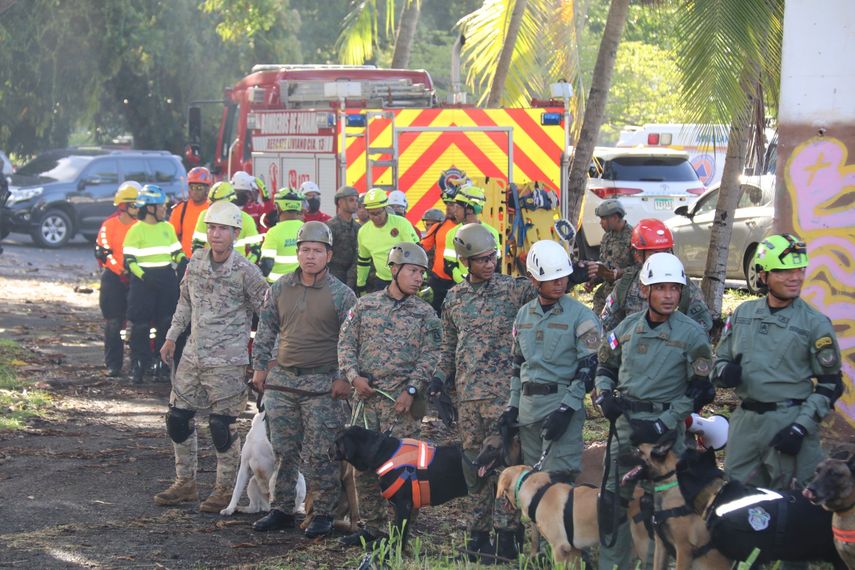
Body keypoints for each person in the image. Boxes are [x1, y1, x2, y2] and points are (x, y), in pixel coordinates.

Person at [594, 252, 713, 570]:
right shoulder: (626, 328)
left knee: (657, 508)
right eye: (661, 288)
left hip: (664, 435)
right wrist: (603, 395)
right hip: (625, 425)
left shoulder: (691, 334)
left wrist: (665, 422)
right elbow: (605, 363)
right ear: (645, 290)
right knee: (612, 501)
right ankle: (612, 565)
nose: (669, 295)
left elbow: (700, 389)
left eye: (675, 289)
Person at [431, 224, 537, 561]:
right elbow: (448, 346)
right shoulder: (455, 299)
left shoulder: (513, 291)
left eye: (492, 258)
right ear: (465, 261)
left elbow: (547, 290)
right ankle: (478, 537)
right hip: (468, 399)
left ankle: (508, 539)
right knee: (473, 468)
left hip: (504, 398)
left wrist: (573, 273)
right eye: (481, 260)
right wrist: (438, 380)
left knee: (505, 466)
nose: (489, 264)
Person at [154, 201, 268, 512]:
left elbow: (269, 318)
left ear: (235, 233)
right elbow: (185, 304)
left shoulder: (247, 272)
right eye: (211, 228)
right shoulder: (197, 263)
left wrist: (262, 362)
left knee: (222, 426)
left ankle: (223, 490)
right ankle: (185, 483)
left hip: (229, 363)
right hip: (193, 356)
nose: (215, 234)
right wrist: (171, 338)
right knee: (177, 419)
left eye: (222, 229)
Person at [249, 221, 357, 536]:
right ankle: (282, 509)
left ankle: (322, 513)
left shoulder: (342, 295)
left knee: (322, 451)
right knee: (283, 449)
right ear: (297, 253)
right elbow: (265, 330)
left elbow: (350, 342)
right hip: (282, 382)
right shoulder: (280, 287)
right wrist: (260, 368)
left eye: (317, 251)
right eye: (305, 250)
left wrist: (343, 378)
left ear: (329, 254)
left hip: (323, 385)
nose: (310, 257)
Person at [714, 234, 842, 491]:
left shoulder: (814, 323)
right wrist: (724, 372)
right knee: (736, 502)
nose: (795, 278)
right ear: (763, 276)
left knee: (795, 509)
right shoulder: (743, 314)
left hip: (789, 422)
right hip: (745, 425)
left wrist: (799, 428)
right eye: (784, 272)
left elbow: (831, 385)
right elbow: (720, 362)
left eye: (800, 269)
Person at [338, 242, 441, 546]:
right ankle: (371, 528)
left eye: (422, 273)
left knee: (404, 468)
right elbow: (345, 345)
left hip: (401, 404)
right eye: (412, 271)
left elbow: (431, 355)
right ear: (394, 270)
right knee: (363, 468)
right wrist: (354, 377)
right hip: (366, 401)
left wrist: (412, 389)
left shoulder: (425, 313)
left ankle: (402, 529)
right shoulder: (365, 306)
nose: (419, 278)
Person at [600, 219, 712, 335]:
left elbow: (701, 332)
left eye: (666, 252)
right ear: (638, 255)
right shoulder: (625, 286)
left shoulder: (685, 287)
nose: (662, 258)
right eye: (654, 253)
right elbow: (606, 327)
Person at [123, 185, 186, 384]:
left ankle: (162, 365)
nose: (164, 209)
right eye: (161, 206)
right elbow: (130, 260)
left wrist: (185, 261)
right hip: (143, 282)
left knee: (166, 323)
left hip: (165, 279)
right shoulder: (136, 230)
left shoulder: (167, 228)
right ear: (150, 207)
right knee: (140, 326)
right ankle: (138, 366)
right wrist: (143, 276)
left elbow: (177, 252)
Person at [94, 181, 140, 377]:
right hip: (114, 278)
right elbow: (103, 252)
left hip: (138, 278)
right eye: (134, 205)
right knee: (113, 323)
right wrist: (121, 270)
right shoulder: (109, 226)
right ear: (123, 206)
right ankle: (114, 364)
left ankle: (140, 363)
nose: (138, 209)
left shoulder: (142, 227)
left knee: (141, 323)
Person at [355, 188, 419, 295]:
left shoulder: (402, 224)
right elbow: (363, 261)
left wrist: (423, 279)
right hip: (381, 281)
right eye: (371, 214)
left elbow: (417, 252)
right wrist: (360, 284)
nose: (376, 217)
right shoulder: (363, 232)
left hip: (406, 280)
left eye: (379, 212)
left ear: (385, 208)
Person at [585, 199, 636, 315]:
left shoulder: (633, 237)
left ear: (616, 217)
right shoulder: (607, 237)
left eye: (603, 218)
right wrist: (593, 281)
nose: (601, 223)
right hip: (608, 292)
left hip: (627, 290)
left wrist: (621, 272)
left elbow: (641, 267)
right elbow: (605, 266)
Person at [192, 181, 262, 263]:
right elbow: (197, 246)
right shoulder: (205, 216)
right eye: (212, 205)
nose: (215, 209)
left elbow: (255, 251)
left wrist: (243, 268)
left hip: (236, 269)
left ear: (231, 201)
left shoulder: (246, 219)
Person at [443, 185, 501, 283]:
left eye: (457, 207)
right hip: (464, 288)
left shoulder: (492, 232)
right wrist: (465, 284)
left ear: (469, 209)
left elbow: (496, 261)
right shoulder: (451, 233)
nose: (454, 211)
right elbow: (450, 265)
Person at [422, 185, 462, 313]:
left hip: (460, 282)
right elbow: (420, 249)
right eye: (447, 204)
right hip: (438, 283)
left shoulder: (471, 228)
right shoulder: (438, 227)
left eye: (452, 204)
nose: (448, 207)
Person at [259, 188, 304, 284]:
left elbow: (267, 264)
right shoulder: (306, 228)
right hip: (302, 285)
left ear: (278, 207)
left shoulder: (273, 232)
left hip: (277, 286)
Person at [170, 167, 212, 257]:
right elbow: (171, 238)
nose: (194, 191)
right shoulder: (180, 209)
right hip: (186, 262)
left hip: (209, 262)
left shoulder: (213, 208)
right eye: (192, 187)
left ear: (207, 189)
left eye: (199, 187)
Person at [326, 185, 360, 291]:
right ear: (340, 202)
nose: (355, 203)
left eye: (356, 200)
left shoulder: (358, 228)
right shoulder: (329, 227)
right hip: (334, 276)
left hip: (354, 277)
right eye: (351, 200)